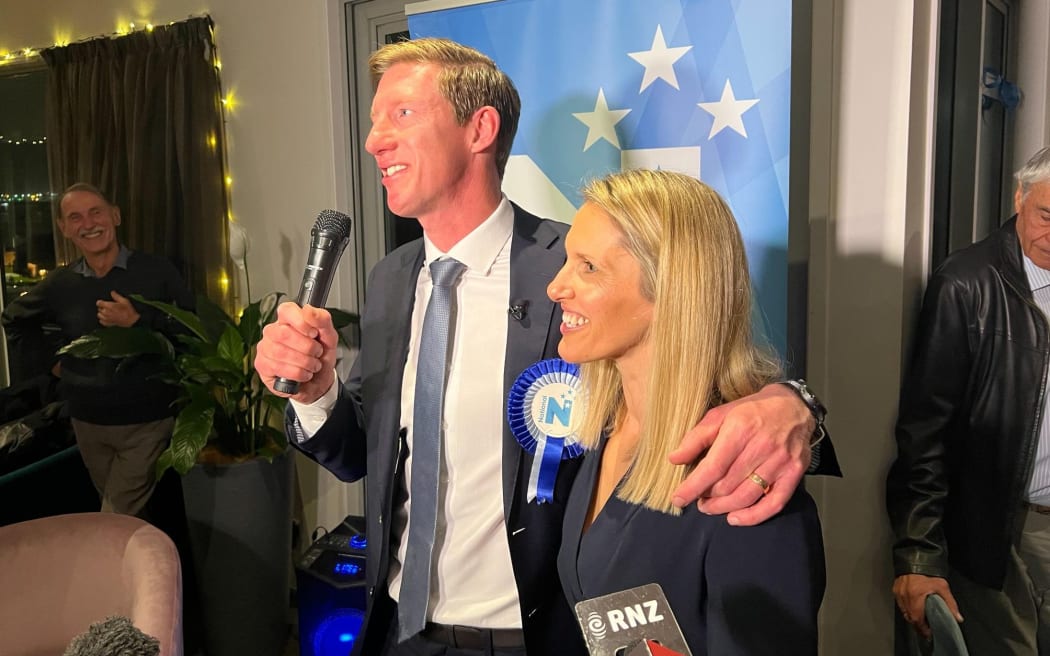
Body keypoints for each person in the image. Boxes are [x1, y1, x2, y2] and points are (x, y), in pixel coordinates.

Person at [253, 37, 836, 656]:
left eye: (401, 114)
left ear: (479, 128)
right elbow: (363, 451)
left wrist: (791, 403)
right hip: (400, 627)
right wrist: (317, 393)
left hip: (535, 637)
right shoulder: (393, 278)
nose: (374, 140)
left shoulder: (578, 268)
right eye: (374, 120)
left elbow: (694, 355)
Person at [549, 169, 824, 655]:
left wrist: (798, 404)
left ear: (670, 288)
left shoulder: (745, 478)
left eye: (588, 267)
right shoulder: (610, 430)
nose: (556, 287)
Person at [887, 145, 1050, 654]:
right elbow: (925, 434)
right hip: (1006, 533)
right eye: (1048, 215)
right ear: (1019, 197)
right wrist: (919, 556)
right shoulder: (967, 283)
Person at [1, 183, 194, 518]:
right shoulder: (60, 284)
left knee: (116, 518)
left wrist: (137, 320)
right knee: (128, 517)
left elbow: (193, 330)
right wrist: (53, 363)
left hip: (146, 420)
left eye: (96, 212)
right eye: (75, 217)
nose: (88, 223)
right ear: (64, 228)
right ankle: (149, 569)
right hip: (87, 422)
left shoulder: (156, 271)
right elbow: (14, 319)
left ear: (115, 216)